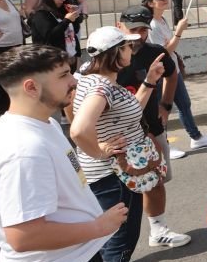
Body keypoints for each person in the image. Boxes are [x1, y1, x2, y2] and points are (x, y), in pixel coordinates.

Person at [0, 45, 127, 261]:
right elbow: (24, 237)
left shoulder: (46, 125)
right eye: (64, 75)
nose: (74, 81)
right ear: (31, 88)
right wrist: (98, 227)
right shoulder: (24, 151)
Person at [70, 26, 166, 262]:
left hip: (110, 175)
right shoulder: (101, 87)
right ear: (115, 53)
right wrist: (100, 151)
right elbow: (79, 129)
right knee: (120, 240)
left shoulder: (89, 78)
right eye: (127, 46)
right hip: (113, 177)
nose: (131, 51)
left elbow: (127, 111)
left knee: (108, 237)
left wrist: (150, 81)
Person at [113, 6, 189, 247]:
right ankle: (113, 241)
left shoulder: (153, 52)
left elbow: (172, 73)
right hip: (117, 137)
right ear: (119, 26)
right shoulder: (106, 55)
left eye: (143, 30)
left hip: (152, 128)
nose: (138, 35)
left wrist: (166, 105)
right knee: (118, 191)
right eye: (133, 29)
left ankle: (157, 230)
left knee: (154, 182)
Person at [141, 0, 207, 153]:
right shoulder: (151, 25)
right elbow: (163, 53)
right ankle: (165, 145)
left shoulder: (162, 20)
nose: (164, 0)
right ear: (149, 3)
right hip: (162, 73)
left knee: (184, 104)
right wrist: (179, 33)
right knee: (163, 108)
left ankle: (196, 137)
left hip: (172, 70)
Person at [27, 0, 81, 70]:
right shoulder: (41, 14)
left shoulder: (61, 10)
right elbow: (51, 36)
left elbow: (74, 30)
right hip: (52, 60)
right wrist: (66, 20)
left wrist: (74, 16)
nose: (63, 0)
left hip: (69, 57)